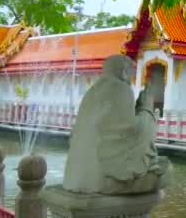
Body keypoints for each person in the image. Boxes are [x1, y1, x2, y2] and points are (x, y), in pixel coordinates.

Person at [63, 54, 171, 194]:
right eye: (131, 74)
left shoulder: (90, 93)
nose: (131, 80)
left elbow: (115, 132)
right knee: (166, 171)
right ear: (124, 72)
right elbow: (130, 135)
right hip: (101, 181)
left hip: (74, 178)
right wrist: (147, 107)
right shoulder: (121, 89)